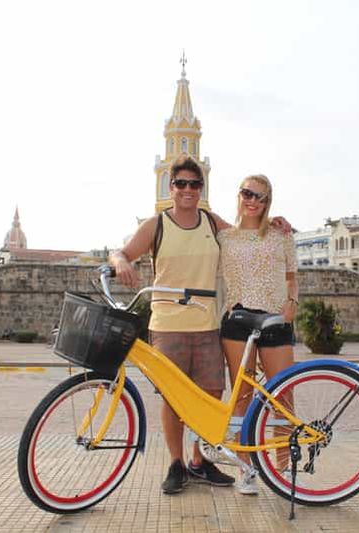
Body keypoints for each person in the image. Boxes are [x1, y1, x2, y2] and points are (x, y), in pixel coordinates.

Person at [110, 154, 237, 495]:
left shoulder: (212, 223)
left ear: (202, 188)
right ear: (171, 187)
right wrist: (121, 263)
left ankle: (199, 461)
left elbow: (246, 239)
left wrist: (276, 225)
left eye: (195, 184)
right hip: (168, 325)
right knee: (173, 398)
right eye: (181, 183)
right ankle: (175, 463)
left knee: (211, 392)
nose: (188, 190)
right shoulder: (157, 224)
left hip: (207, 323)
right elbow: (120, 252)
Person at [220, 174, 298, 496]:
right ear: (238, 195)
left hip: (274, 321)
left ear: (269, 203)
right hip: (237, 321)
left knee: (284, 396)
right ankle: (246, 469)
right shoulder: (224, 236)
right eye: (248, 193)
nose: (253, 200)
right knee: (241, 397)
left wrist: (291, 304)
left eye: (262, 197)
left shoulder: (281, 235)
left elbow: (292, 278)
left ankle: (284, 472)